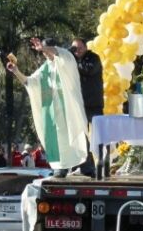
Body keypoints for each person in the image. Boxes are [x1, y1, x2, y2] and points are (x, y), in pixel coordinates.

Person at [6, 37, 88, 178]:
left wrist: (43, 48)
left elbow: (58, 52)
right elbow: (29, 82)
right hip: (52, 112)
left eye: (46, 50)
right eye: (43, 52)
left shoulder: (66, 58)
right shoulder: (44, 69)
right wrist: (16, 71)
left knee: (75, 137)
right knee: (57, 140)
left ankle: (85, 166)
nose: (45, 54)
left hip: (68, 110)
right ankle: (61, 167)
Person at [70, 37, 103, 177]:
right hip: (79, 105)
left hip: (93, 104)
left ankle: (103, 165)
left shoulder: (93, 58)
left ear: (86, 47)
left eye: (79, 48)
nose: (77, 51)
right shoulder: (74, 60)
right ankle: (86, 167)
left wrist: (72, 60)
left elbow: (87, 70)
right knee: (81, 136)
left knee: (99, 136)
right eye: (74, 49)